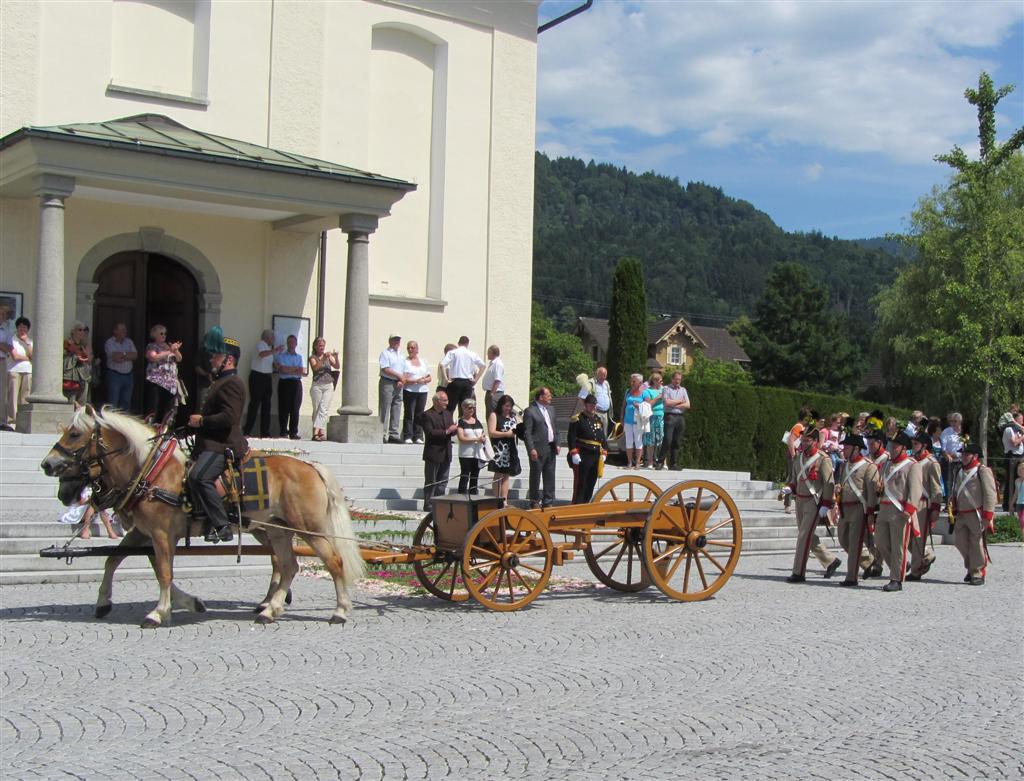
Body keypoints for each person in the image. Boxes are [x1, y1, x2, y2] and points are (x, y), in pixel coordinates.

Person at [186, 332, 248, 543]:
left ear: (228, 359)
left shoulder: (233, 382)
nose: (211, 359)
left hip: (223, 445)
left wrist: (202, 421)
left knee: (198, 477)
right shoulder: (220, 381)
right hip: (210, 443)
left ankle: (222, 525)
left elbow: (230, 417)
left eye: (215, 356)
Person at [786, 422, 841, 583]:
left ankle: (798, 572)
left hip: (813, 501)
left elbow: (829, 483)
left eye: (807, 440)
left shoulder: (823, 459)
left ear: (815, 441)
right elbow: (795, 478)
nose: (803, 443)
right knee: (806, 535)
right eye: (802, 440)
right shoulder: (799, 458)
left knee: (804, 536)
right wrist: (789, 488)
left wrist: (826, 504)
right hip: (800, 500)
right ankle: (831, 561)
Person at [874, 431, 922, 592]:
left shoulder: (912, 465)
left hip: (899, 510)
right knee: (880, 542)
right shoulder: (886, 465)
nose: (892, 449)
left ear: (904, 448)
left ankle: (896, 578)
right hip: (884, 508)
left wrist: (909, 509)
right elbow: (882, 485)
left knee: (898, 546)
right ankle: (900, 566)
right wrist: (878, 489)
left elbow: (915, 489)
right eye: (891, 446)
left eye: (896, 446)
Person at [835, 433, 878, 587]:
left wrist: (871, 512)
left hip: (859, 508)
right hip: (844, 507)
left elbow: (871, 492)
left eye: (847, 447)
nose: (844, 450)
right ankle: (868, 561)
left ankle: (851, 577)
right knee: (843, 539)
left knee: (854, 543)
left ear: (856, 449)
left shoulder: (869, 466)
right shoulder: (844, 465)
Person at [951, 443, 997, 586]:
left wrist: (988, 515)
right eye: (963, 454)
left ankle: (977, 572)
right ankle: (972, 567)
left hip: (976, 513)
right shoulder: (959, 470)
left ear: (975, 456)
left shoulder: (982, 471)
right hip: (961, 513)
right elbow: (955, 490)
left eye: (967, 454)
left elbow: (990, 494)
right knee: (959, 542)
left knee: (976, 543)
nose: (963, 457)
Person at [907, 430, 943, 581]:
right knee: (908, 537)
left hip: (923, 503)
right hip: (910, 502)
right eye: (913, 443)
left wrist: (935, 508)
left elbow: (936, 488)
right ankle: (926, 556)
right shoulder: (910, 461)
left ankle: (916, 570)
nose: (913, 446)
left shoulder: (931, 463)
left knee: (918, 538)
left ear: (924, 445)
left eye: (916, 444)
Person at [523, 386, 559, 510]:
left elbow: (555, 428)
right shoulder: (530, 411)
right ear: (541, 397)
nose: (550, 397)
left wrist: (558, 443)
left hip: (551, 447)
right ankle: (534, 501)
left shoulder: (551, 409)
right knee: (536, 475)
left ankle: (548, 501)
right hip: (537, 448)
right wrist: (531, 449)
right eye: (548, 395)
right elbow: (527, 432)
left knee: (550, 475)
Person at [567, 393, 608, 504]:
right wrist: (573, 452)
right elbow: (571, 436)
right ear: (585, 405)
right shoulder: (578, 418)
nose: (593, 407)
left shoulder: (598, 419)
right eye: (591, 405)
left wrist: (604, 452)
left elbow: (602, 438)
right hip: (583, 454)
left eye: (594, 405)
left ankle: (586, 504)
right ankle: (577, 505)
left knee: (591, 483)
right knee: (581, 483)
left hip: (596, 455)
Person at [419, 390, 456, 509]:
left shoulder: (448, 414)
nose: (447, 403)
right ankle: (429, 504)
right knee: (431, 480)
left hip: (446, 452)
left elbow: (451, 430)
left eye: (447, 400)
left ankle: (440, 504)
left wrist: (454, 429)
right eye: (444, 400)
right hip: (433, 453)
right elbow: (430, 433)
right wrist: (447, 431)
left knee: (443, 481)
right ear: (436, 401)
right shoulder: (427, 415)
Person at [244, 329, 282, 438]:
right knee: (255, 403)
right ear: (267, 337)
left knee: (267, 404)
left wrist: (276, 365)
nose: (273, 339)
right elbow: (261, 354)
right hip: (257, 376)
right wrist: (275, 351)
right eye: (272, 337)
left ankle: (265, 432)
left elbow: (268, 361)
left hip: (267, 377)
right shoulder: (260, 345)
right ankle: (247, 430)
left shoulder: (269, 349)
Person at [144, 324, 181, 423]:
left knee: (168, 409)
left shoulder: (168, 346)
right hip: (157, 381)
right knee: (154, 408)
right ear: (155, 335)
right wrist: (169, 351)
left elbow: (179, 359)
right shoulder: (152, 346)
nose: (164, 335)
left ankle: (164, 429)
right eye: (161, 333)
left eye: (165, 333)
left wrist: (175, 350)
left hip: (170, 383)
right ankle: (150, 428)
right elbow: (153, 357)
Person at [487, 394, 521, 501]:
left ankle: (504, 500)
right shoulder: (494, 415)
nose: (509, 408)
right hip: (499, 448)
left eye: (510, 406)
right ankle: (497, 499)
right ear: (501, 405)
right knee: (498, 474)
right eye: (506, 406)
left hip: (510, 448)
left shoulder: (512, 417)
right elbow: (491, 432)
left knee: (506, 475)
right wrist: (506, 434)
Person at [442, 336, 485, 414]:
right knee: (466, 408)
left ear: (458, 343)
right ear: (467, 344)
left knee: (450, 407)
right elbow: (483, 366)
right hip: (467, 382)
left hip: (455, 381)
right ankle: (464, 421)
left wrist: (446, 379)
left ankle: (448, 421)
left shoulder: (453, 353)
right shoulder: (472, 354)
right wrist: (476, 379)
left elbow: (443, 365)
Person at [275, 334, 305, 440]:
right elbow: (282, 369)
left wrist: (290, 369)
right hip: (285, 383)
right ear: (287, 344)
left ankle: (293, 432)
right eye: (289, 342)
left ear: (296, 344)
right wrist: (294, 369)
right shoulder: (281, 356)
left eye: (293, 342)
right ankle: (283, 431)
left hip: (296, 383)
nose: (291, 344)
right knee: (284, 407)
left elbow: (301, 371)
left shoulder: (299, 357)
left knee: (295, 408)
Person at [308, 337, 339, 442]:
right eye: (320, 346)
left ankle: (317, 432)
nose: (322, 348)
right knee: (317, 408)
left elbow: (337, 366)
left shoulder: (328, 356)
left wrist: (336, 357)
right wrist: (323, 359)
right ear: (315, 346)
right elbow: (315, 368)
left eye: (323, 346)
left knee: (324, 408)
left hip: (328, 384)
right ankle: (318, 431)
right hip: (317, 385)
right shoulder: (313, 357)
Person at [401, 340, 431, 444]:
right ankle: (408, 435)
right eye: (408, 348)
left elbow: (429, 377)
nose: (410, 350)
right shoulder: (405, 362)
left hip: (422, 391)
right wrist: (415, 381)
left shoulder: (423, 362)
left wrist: (423, 380)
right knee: (409, 413)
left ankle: (418, 435)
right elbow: (404, 378)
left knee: (420, 413)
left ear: (417, 349)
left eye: (412, 348)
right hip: (409, 390)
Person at [658, 371, 690, 470]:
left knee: (677, 441)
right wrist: (680, 401)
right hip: (670, 416)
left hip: (680, 417)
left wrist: (674, 404)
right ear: (672, 379)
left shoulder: (683, 390)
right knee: (667, 439)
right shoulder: (666, 389)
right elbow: (667, 402)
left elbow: (688, 405)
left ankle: (673, 464)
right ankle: (660, 462)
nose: (678, 381)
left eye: (679, 379)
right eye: (676, 379)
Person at [104, 322, 137, 411]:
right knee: (113, 402)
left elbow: (135, 355)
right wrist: (128, 355)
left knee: (126, 402)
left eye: (125, 330)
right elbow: (115, 357)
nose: (125, 331)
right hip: (114, 376)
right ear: (115, 331)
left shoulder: (129, 342)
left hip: (128, 376)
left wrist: (122, 355)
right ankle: (111, 419)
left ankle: (124, 419)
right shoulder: (109, 342)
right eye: (122, 330)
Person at [378, 334, 405, 444]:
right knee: (385, 407)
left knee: (397, 407)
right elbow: (385, 369)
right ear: (390, 341)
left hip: (398, 383)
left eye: (398, 340)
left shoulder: (401, 355)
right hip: (387, 382)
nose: (397, 342)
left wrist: (401, 380)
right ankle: (382, 433)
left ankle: (394, 433)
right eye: (395, 340)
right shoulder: (385, 353)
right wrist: (399, 376)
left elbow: (404, 370)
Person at [456, 398, 486, 495]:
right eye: (469, 408)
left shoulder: (477, 421)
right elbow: (461, 438)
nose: (472, 410)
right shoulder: (460, 422)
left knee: (475, 476)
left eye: (473, 408)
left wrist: (483, 439)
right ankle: (461, 495)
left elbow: (482, 434)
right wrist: (476, 439)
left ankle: (473, 495)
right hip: (465, 454)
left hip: (477, 453)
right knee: (465, 476)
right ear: (463, 408)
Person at [7, 317, 33, 429]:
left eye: (25, 327)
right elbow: (15, 356)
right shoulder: (12, 340)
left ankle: (23, 419)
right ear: (17, 328)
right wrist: (28, 358)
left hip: (28, 371)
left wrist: (27, 343)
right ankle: (12, 420)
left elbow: (34, 356)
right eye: (20, 327)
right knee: (13, 397)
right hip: (14, 370)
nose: (22, 330)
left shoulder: (30, 342)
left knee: (25, 397)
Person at [62, 322, 92, 404]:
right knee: (71, 402)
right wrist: (75, 357)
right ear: (73, 331)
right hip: (71, 376)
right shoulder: (66, 343)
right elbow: (64, 359)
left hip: (83, 376)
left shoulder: (84, 345)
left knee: (82, 402)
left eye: (84, 330)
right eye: (80, 330)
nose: (82, 332)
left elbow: (89, 359)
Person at [1000, 412, 1024, 512]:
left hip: (1020, 456)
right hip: (1012, 456)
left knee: (1018, 480)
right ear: (1015, 419)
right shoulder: (1009, 429)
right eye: (1021, 419)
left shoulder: (1018, 430)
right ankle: (1007, 504)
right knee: (1011, 480)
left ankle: (1016, 503)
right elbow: (1014, 443)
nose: (1022, 422)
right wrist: (1022, 437)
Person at [620, 374, 645, 470]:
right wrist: (622, 417)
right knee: (629, 441)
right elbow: (624, 405)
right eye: (631, 381)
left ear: (640, 382)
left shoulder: (644, 393)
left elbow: (648, 405)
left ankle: (638, 463)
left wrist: (640, 406)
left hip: (638, 421)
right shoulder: (628, 391)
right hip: (628, 420)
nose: (632, 383)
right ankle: (629, 462)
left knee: (638, 441)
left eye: (634, 381)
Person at [641, 372, 665, 469]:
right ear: (654, 381)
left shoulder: (663, 390)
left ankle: (663, 462)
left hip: (661, 416)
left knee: (662, 439)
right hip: (651, 416)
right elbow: (648, 405)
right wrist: (657, 397)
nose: (661, 382)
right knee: (651, 439)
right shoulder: (647, 391)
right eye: (659, 380)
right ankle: (650, 462)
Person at [940, 412, 964, 500]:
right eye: (951, 421)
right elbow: (942, 448)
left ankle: (959, 502)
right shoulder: (946, 432)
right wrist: (948, 455)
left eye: (955, 421)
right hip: (949, 461)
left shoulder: (964, 432)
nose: (952, 423)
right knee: (949, 483)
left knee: (960, 482)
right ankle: (949, 503)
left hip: (961, 461)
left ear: (960, 422)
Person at [481, 345, 504, 415]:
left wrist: (492, 393)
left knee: (492, 413)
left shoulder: (498, 364)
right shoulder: (493, 363)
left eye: (489, 352)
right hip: (491, 392)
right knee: (489, 413)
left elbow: (497, 380)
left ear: (493, 353)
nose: (487, 354)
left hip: (495, 393)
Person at [0, 303, 12, 430]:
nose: (2, 316)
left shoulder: (6, 330)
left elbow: (9, 348)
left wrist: (2, 345)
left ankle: (1, 421)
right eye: (0, 313)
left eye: (4, 314)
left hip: (2, 361)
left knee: (2, 392)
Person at [1012, 460, 1024, 535]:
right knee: (1021, 522)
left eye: (1021, 470)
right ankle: (1022, 537)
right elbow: (1016, 493)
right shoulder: (1017, 481)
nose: (1019, 471)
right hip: (1019, 503)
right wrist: (1011, 504)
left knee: (1023, 520)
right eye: (1018, 470)